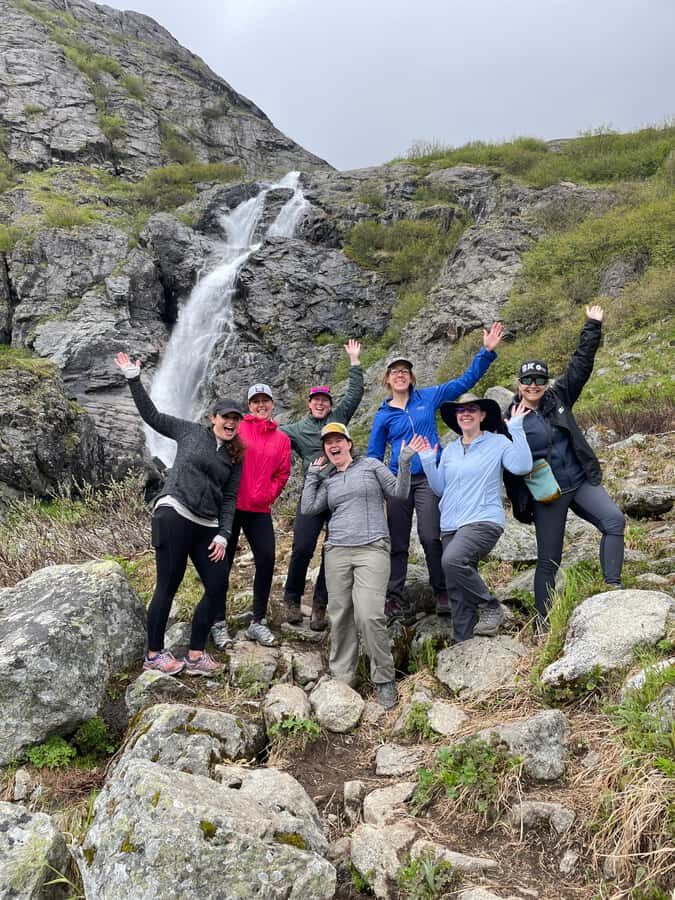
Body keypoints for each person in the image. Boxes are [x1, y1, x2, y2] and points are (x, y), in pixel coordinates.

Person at [114, 351, 244, 676]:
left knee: (217, 585)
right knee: (167, 585)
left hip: (207, 527)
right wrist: (133, 379)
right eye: (226, 416)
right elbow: (153, 416)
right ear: (213, 417)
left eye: (236, 418)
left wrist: (224, 535)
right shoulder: (189, 432)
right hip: (174, 512)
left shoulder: (235, 456)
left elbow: (229, 499)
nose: (231, 422)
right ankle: (154, 654)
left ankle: (196, 654)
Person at [367, 323, 503, 621]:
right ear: (387, 380)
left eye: (405, 370)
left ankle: (441, 588)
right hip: (397, 482)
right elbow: (374, 455)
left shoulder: (428, 397)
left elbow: (464, 381)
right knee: (398, 539)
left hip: (429, 476)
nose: (400, 374)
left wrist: (487, 352)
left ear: (411, 377)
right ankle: (394, 596)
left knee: (431, 535)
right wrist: (373, 488)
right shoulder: (382, 415)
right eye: (395, 371)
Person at [507, 305, 625, 626]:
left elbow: (581, 364)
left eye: (539, 379)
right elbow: (506, 463)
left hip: (580, 481)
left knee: (614, 521)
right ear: (519, 383)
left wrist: (593, 325)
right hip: (547, 494)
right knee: (549, 561)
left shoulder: (559, 396)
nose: (534, 384)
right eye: (528, 380)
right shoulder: (509, 420)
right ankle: (544, 623)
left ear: (546, 381)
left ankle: (613, 586)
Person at [301, 423, 426, 708]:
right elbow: (309, 508)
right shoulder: (329, 480)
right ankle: (342, 676)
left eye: (338, 440)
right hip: (337, 552)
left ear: (349, 443)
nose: (333, 445)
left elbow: (399, 492)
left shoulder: (371, 465)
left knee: (369, 615)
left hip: (372, 548)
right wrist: (312, 476)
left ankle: (384, 679)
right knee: (340, 614)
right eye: (328, 442)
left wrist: (405, 461)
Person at [418, 394, 532, 642]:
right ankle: (465, 643)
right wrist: (428, 461)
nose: (465, 414)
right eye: (460, 410)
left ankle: (490, 606)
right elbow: (440, 489)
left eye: (472, 409)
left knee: (452, 560)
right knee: (457, 591)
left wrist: (516, 429)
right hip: (450, 525)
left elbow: (522, 466)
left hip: (483, 518)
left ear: (482, 415)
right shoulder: (450, 450)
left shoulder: (498, 442)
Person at [280, 339, 364, 631]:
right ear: (309, 404)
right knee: (302, 546)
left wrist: (354, 361)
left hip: (342, 494)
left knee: (332, 550)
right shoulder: (296, 430)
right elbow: (270, 436)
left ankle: (319, 605)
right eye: (316, 400)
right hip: (312, 492)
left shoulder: (339, 419)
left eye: (325, 400)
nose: (320, 403)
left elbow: (355, 393)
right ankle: (291, 599)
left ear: (329, 405)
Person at [210, 383, 291, 649]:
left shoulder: (281, 439)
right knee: (222, 562)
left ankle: (258, 621)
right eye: (255, 401)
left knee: (267, 559)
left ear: (272, 404)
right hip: (230, 507)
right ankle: (218, 622)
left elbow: (282, 473)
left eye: (265, 400)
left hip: (258, 508)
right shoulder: (239, 428)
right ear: (249, 405)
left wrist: (268, 494)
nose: (260, 405)